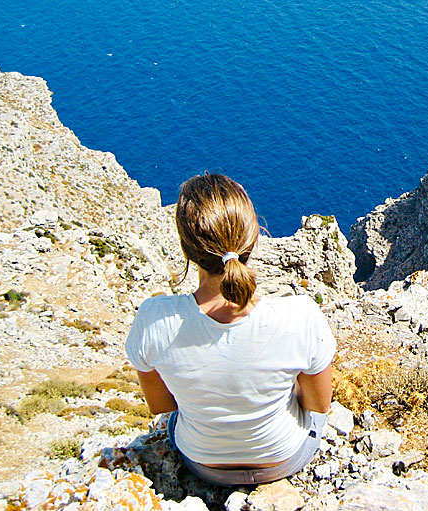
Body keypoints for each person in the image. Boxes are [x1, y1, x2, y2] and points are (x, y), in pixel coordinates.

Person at [125, 173, 336, 486]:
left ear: (186, 248)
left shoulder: (154, 317)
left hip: (202, 462)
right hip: (284, 457)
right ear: (253, 239)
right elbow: (318, 405)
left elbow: (163, 407)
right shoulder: (300, 314)